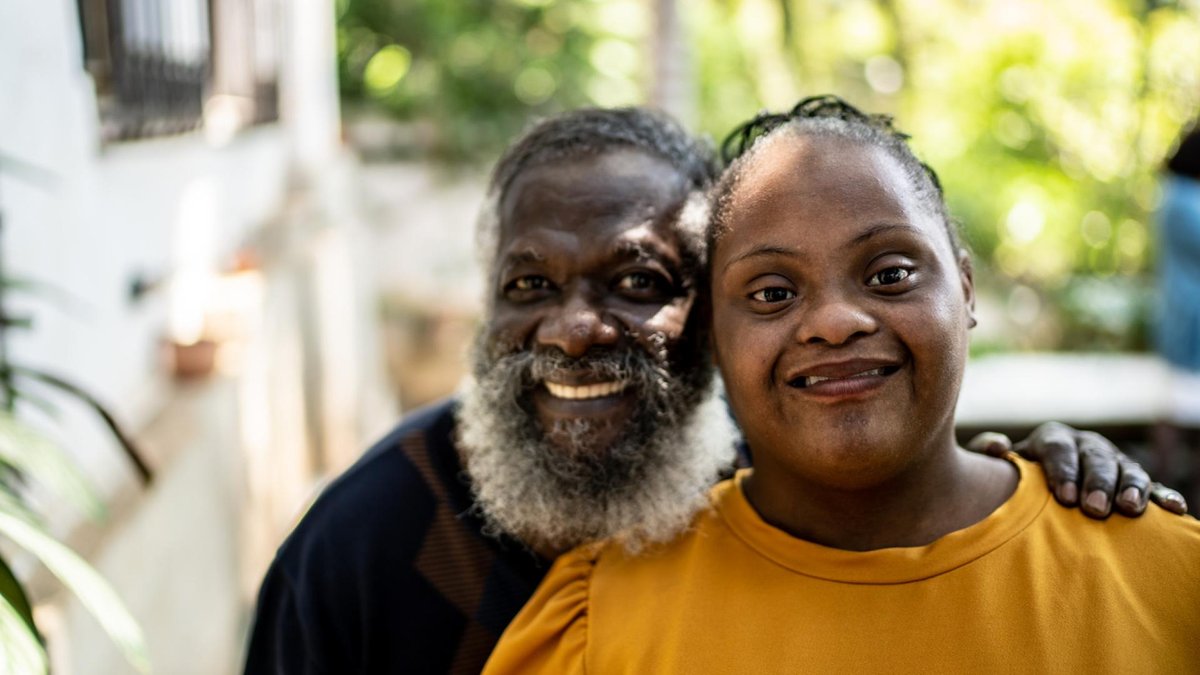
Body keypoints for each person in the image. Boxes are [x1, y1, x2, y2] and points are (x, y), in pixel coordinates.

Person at [244, 107, 1183, 675]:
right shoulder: (358, 550)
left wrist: (1037, 481)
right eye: (529, 285)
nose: (575, 328)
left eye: (639, 281)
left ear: (706, 321)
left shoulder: (767, 469)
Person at [1155, 123, 1200, 505]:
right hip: (1190, 316)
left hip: (1184, 313)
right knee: (1177, 407)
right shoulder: (1183, 199)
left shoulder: (1177, 195)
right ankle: (1168, 482)